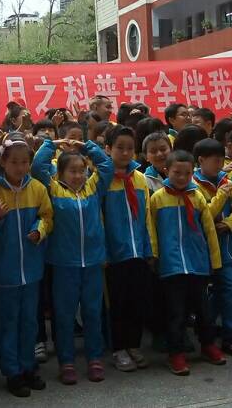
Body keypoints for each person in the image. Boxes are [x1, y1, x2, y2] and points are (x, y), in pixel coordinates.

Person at [0, 132, 53, 398]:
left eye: (24, 162)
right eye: (14, 162)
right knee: (6, 324)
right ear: (2, 162)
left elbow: (47, 216)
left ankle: (28, 366)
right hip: (1, 274)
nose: (20, 167)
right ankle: (12, 372)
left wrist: (39, 230)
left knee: (29, 322)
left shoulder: (38, 189)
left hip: (31, 271)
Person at [32, 137, 112, 385]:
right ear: (60, 173)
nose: (78, 176)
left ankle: (94, 358)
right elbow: (37, 166)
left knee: (92, 312)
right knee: (64, 315)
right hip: (63, 264)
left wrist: (86, 146)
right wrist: (52, 143)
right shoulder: (53, 189)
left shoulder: (93, 188)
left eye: (81, 170)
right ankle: (66, 362)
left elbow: (106, 165)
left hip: (93, 263)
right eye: (72, 171)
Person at [149, 150, 226, 376]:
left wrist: (214, 260)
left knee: (203, 309)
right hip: (171, 265)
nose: (182, 177)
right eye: (177, 173)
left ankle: (208, 345)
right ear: (167, 171)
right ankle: (176, 352)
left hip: (197, 262)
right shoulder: (157, 198)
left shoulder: (197, 196)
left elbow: (209, 229)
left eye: (187, 173)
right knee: (176, 312)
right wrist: (153, 256)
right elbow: (151, 229)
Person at [101, 125, 153, 372]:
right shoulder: (102, 179)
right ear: (107, 149)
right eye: (119, 147)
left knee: (137, 301)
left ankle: (134, 344)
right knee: (117, 304)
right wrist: (103, 251)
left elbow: (148, 216)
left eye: (130, 148)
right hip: (114, 254)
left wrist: (150, 249)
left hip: (138, 252)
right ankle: (118, 348)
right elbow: (98, 218)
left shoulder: (140, 179)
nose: (125, 153)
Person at [192, 139, 232, 355]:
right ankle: (206, 330)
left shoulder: (225, 182)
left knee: (230, 288)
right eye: (215, 160)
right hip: (201, 252)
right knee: (209, 293)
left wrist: (228, 224)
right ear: (201, 160)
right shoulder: (193, 185)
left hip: (225, 251)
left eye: (221, 160)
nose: (220, 165)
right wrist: (221, 195)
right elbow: (204, 214)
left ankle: (231, 336)